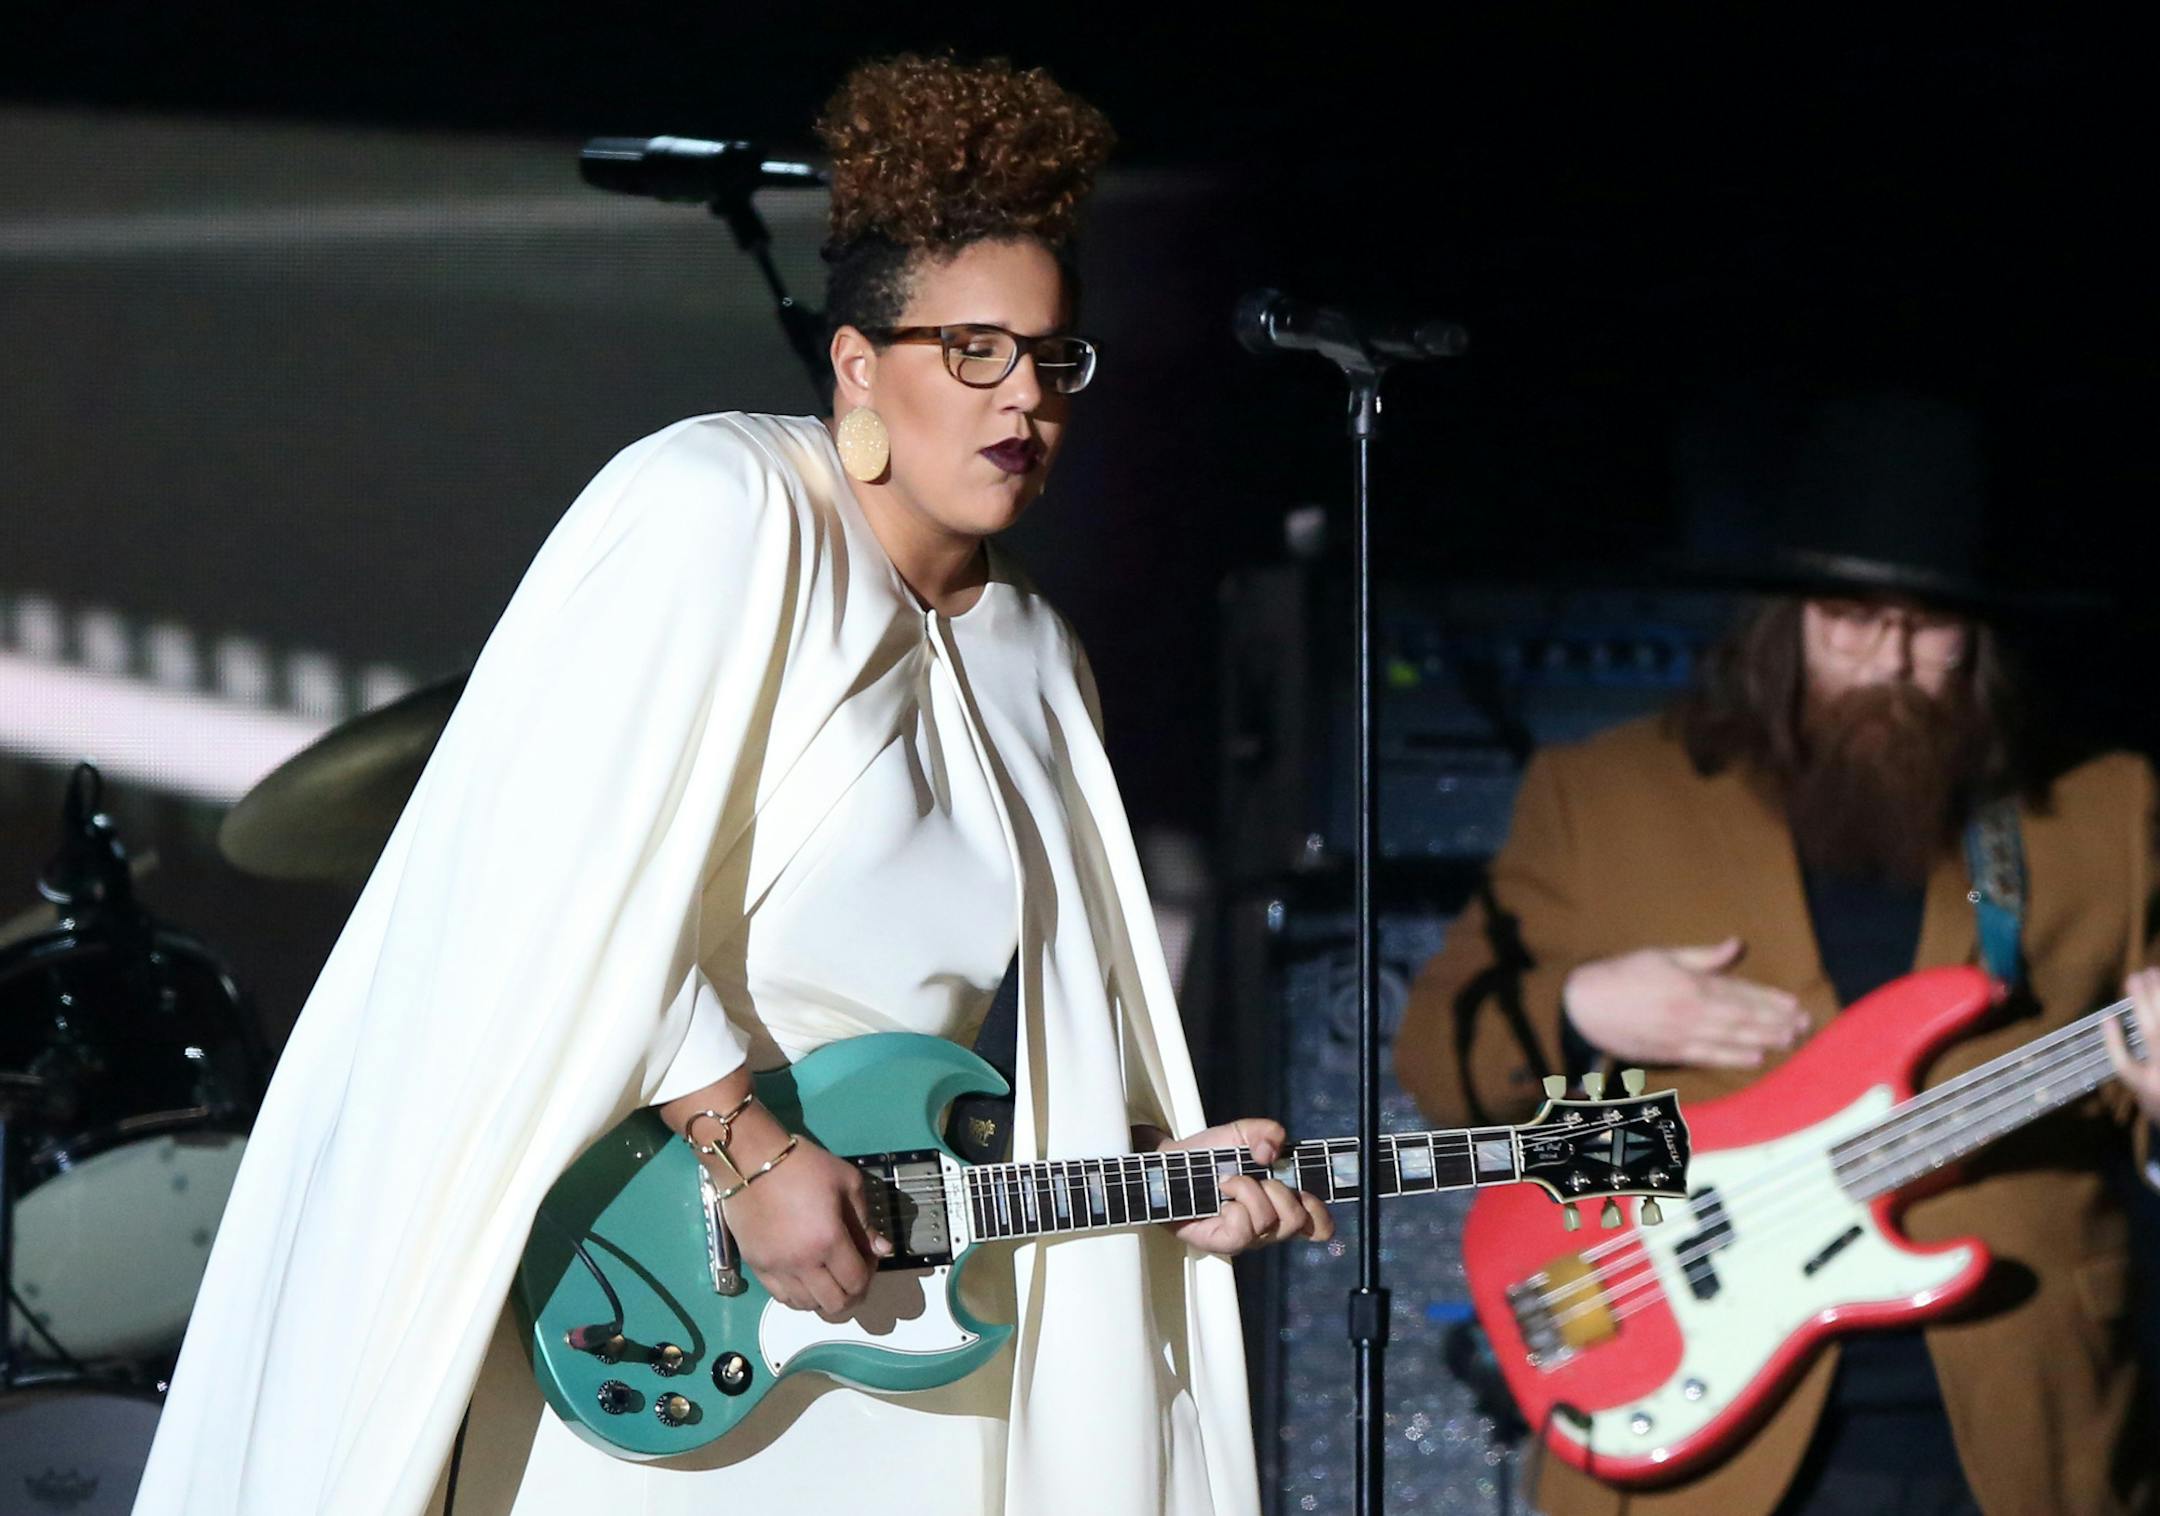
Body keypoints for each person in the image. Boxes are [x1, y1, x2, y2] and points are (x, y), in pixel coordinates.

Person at [134, 54, 1326, 1516]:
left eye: (1052, 358)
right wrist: (745, 1146)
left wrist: (1150, 1170)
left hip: (898, 1325)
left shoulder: (1034, 655)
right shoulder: (719, 504)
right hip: (655, 1282)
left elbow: (1014, 1054)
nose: (1023, 397)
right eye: (973, 351)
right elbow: (548, 867)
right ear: (853, 365)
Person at [1395, 390, 2159, 1516]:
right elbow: (1433, 1056)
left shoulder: (2102, 809)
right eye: (1851, 617)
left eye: (1928, 625)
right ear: (1782, 622)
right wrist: (1584, 1010)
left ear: (1982, 638)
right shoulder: (1607, 794)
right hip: (1696, 1432)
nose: (1889, 657)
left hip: (2020, 1426)